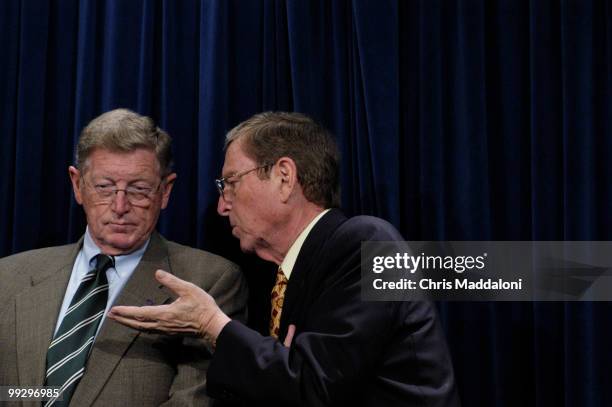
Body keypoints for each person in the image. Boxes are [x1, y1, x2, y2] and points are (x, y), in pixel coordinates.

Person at [110, 112, 459, 406]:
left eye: (230, 182)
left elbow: (312, 386)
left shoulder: (369, 245)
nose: (222, 205)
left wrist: (210, 324)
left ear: (284, 177)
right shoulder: (289, 278)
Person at [0, 109, 247, 406]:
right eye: (104, 187)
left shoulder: (208, 280)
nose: (119, 206)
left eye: (139, 190)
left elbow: (194, 401)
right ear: (77, 185)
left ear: (165, 191)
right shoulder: (9, 276)